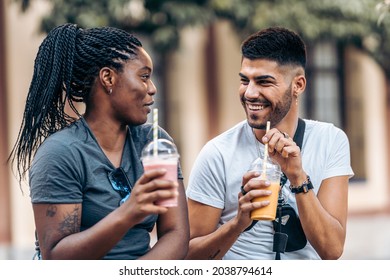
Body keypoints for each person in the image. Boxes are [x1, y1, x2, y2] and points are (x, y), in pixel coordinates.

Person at [9, 23, 189, 260]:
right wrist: (128, 213)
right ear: (108, 78)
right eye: (144, 77)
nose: (152, 89)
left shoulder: (155, 143)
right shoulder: (60, 154)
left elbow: (175, 233)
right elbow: (56, 257)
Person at [185, 26, 354, 260]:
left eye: (264, 82)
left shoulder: (331, 141)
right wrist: (238, 223)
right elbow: (188, 257)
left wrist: (298, 178)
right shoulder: (217, 153)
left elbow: (332, 250)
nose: (250, 93)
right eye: (245, 80)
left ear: (298, 85)